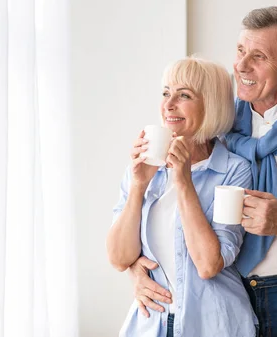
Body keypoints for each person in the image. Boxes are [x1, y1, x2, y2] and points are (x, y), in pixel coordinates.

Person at [127, 6, 277, 337]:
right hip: (236, 299)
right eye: (241, 50)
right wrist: (137, 270)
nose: (241, 66)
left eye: (258, 56)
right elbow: (171, 211)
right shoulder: (226, 123)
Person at [107, 57, 257, 337]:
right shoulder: (143, 170)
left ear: (210, 105)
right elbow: (118, 257)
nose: (168, 104)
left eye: (184, 95)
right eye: (166, 93)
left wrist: (184, 181)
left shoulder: (234, 171)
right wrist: (138, 186)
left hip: (215, 326)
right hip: (152, 323)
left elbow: (209, 264)